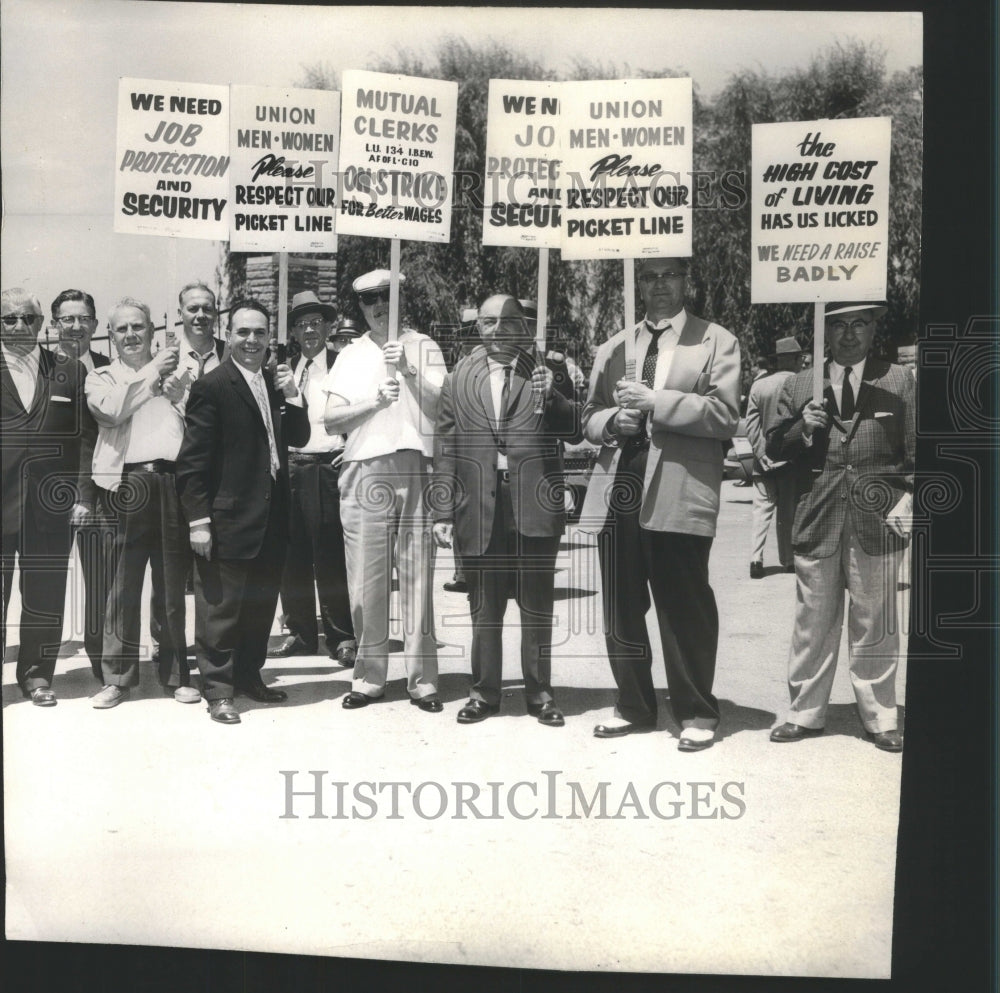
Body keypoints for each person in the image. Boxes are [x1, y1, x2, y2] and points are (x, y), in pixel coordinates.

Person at [579, 256, 740, 751]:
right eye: (648, 276)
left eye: (670, 274)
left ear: (686, 280)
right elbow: (587, 416)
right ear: (638, 284)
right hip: (619, 487)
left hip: (679, 487)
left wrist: (656, 404)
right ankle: (633, 705)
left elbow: (725, 414)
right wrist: (611, 422)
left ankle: (695, 710)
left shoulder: (716, 340)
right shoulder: (615, 346)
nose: (659, 285)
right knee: (621, 607)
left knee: (683, 604)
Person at [766, 302, 914, 752]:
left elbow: (917, 452)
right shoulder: (800, 383)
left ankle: (881, 716)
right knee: (813, 620)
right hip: (818, 518)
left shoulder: (897, 380)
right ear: (824, 332)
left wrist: (907, 503)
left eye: (859, 324)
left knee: (876, 623)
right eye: (838, 325)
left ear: (873, 329)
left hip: (878, 519)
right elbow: (773, 447)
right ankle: (805, 712)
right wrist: (800, 429)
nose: (849, 335)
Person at [433, 294, 580, 726]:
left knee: (536, 606)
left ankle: (540, 694)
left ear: (524, 326)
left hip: (533, 503)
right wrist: (442, 510)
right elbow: (446, 445)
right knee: (485, 607)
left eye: (507, 321)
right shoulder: (459, 375)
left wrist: (553, 397)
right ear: (477, 327)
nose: (497, 330)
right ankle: (484, 692)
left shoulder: (547, 370)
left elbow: (573, 430)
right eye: (488, 322)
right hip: (478, 506)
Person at [175, 300, 309, 724]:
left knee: (259, 606)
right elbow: (192, 463)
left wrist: (293, 394)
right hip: (227, 518)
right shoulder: (212, 387)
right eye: (243, 333)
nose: (252, 341)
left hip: (271, 518)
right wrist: (198, 520)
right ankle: (217, 689)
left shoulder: (274, 384)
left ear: (270, 338)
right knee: (220, 609)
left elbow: (301, 437)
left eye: (260, 333)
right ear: (228, 335)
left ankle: (250, 677)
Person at [322, 269, 444, 713]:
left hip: (414, 463)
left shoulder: (423, 344)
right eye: (370, 300)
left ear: (400, 301)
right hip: (363, 467)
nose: (378, 308)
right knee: (366, 581)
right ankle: (370, 676)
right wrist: (375, 401)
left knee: (417, 577)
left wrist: (410, 372)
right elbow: (332, 420)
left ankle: (423, 680)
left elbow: (440, 407)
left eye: (386, 299)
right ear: (361, 306)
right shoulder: (350, 354)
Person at [85, 298, 199, 708]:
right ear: (111, 337)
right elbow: (112, 412)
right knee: (121, 584)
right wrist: (154, 373)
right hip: (125, 484)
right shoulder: (100, 377)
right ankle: (117, 678)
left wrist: (179, 392)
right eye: (122, 329)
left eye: (139, 327)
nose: (131, 335)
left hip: (169, 481)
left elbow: (196, 420)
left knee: (170, 585)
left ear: (152, 330)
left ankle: (175, 674)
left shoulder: (178, 370)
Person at [2, 287, 96, 706]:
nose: (20, 326)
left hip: (50, 506)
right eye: (9, 319)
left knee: (45, 594)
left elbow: (85, 439)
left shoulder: (69, 372)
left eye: (28, 318)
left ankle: (37, 676)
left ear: (42, 324)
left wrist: (81, 494)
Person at [269, 291, 357, 666]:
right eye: (302, 324)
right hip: (291, 466)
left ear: (328, 326)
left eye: (316, 322)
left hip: (329, 466)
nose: (309, 330)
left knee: (331, 553)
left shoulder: (344, 364)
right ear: (293, 331)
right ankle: (301, 633)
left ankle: (341, 636)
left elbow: (359, 411)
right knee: (293, 554)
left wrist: (350, 448)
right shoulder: (281, 367)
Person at [49, 289, 113, 681]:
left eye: (84, 318)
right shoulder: (40, 370)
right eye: (67, 319)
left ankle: (101, 659)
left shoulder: (110, 368)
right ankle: (39, 665)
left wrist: (88, 494)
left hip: (102, 495)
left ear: (94, 323)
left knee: (101, 583)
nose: (76, 326)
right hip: (49, 496)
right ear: (55, 324)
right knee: (48, 581)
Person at [746, 335, 804, 578]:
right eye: (801, 358)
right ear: (795, 359)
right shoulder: (801, 384)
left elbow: (751, 425)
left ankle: (756, 560)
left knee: (762, 510)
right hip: (791, 461)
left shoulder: (759, 386)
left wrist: (762, 454)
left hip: (763, 463)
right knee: (787, 512)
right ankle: (788, 560)